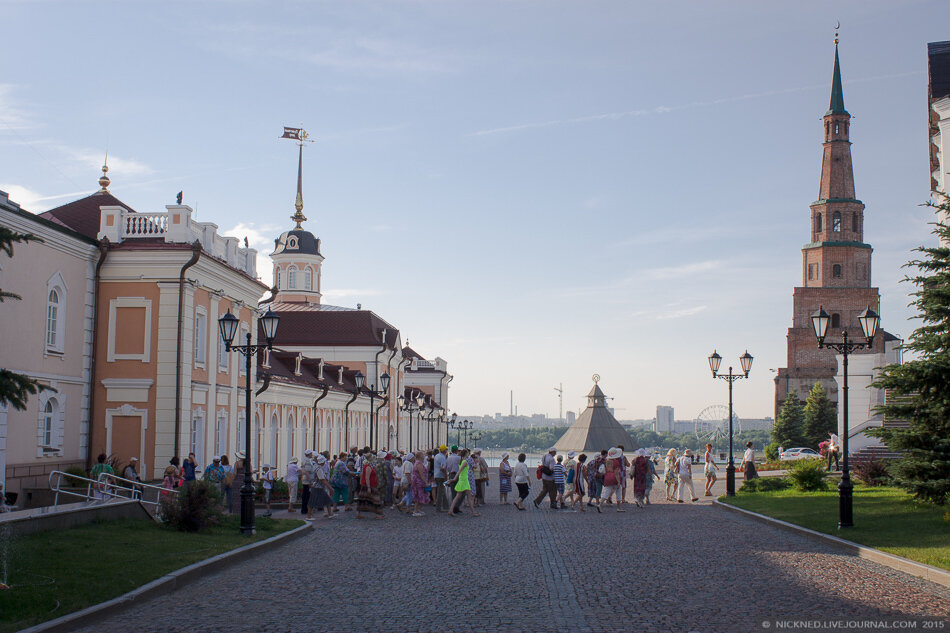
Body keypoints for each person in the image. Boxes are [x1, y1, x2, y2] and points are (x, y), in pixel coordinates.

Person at [448, 448, 478, 517]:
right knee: (469, 497)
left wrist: (455, 479)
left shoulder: (461, 461)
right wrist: (454, 479)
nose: (468, 454)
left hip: (462, 480)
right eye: (467, 453)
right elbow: (459, 471)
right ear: (466, 454)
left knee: (457, 497)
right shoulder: (465, 462)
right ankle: (473, 512)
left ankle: (450, 510)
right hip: (464, 480)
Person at [356, 451, 385, 520]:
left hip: (369, 485)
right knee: (376, 500)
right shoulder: (368, 467)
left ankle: (358, 514)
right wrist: (369, 487)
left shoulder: (368, 466)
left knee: (362, 499)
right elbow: (367, 477)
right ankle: (378, 514)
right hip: (370, 486)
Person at [309, 455, 335, 520]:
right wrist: (330, 488)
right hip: (318, 487)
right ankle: (308, 516)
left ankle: (330, 514)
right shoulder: (319, 469)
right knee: (313, 502)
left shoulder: (316, 467)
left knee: (326, 500)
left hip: (316, 486)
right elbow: (322, 480)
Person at [598, 447, 624, 512]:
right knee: (618, 492)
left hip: (607, 478)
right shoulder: (616, 462)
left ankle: (600, 504)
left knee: (606, 492)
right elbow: (616, 473)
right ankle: (619, 508)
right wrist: (618, 482)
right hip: (614, 478)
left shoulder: (606, 461)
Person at [411, 450, 429, 517]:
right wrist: (426, 482)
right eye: (423, 455)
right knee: (419, 496)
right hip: (419, 482)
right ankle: (415, 511)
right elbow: (422, 475)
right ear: (420, 456)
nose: (424, 456)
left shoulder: (418, 463)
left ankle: (418, 510)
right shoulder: (419, 464)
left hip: (418, 482)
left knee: (420, 496)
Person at [433, 445, 449, 512]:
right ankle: (438, 508)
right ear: (444, 450)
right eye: (446, 449)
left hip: (436, 475)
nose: (447, 451)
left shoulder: (436, 456)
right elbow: (442, 468)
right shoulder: (442, 457)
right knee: (440, 492)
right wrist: (445, 475)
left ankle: (446, 506)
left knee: (443, 491)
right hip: (441, 476)